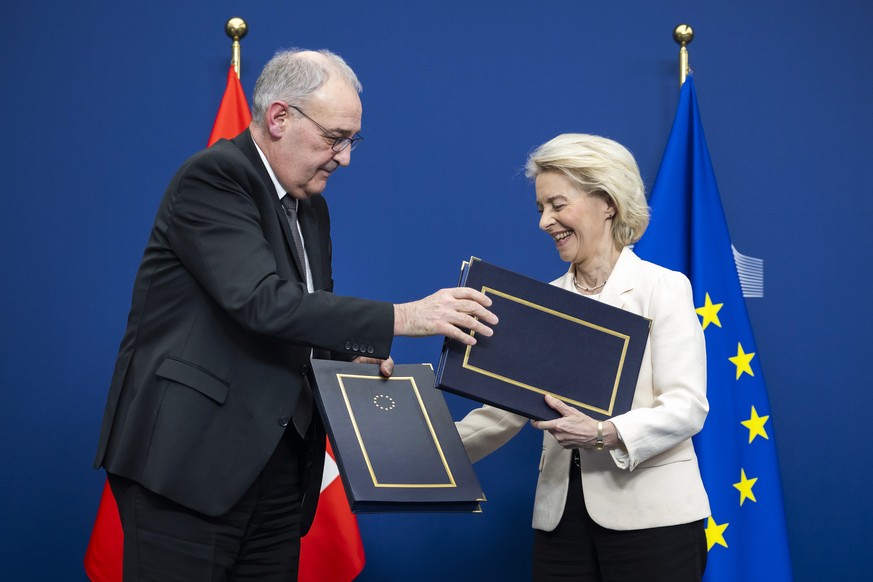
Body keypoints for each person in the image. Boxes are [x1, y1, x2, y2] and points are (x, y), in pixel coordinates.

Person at [93, 48, 497, 581]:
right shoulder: (215, 177)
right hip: (190, 466)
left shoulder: (311, 206)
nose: (344, 157)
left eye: (352, 140)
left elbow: (302, 321)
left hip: (282, 473)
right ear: (280, 118)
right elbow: (260, 301)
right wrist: (405, 317)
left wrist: (348, 358)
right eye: (334, 138)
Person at [456, 134, 710, 581]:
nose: (544, 222)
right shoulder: (544, 302)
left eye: (557, 204)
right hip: (561, 525)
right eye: (540, 209)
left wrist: (601, 432)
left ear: (607, 202)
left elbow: (687, 407)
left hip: (654, 522)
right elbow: (500, 414)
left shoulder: (663, 288)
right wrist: (416, 455)